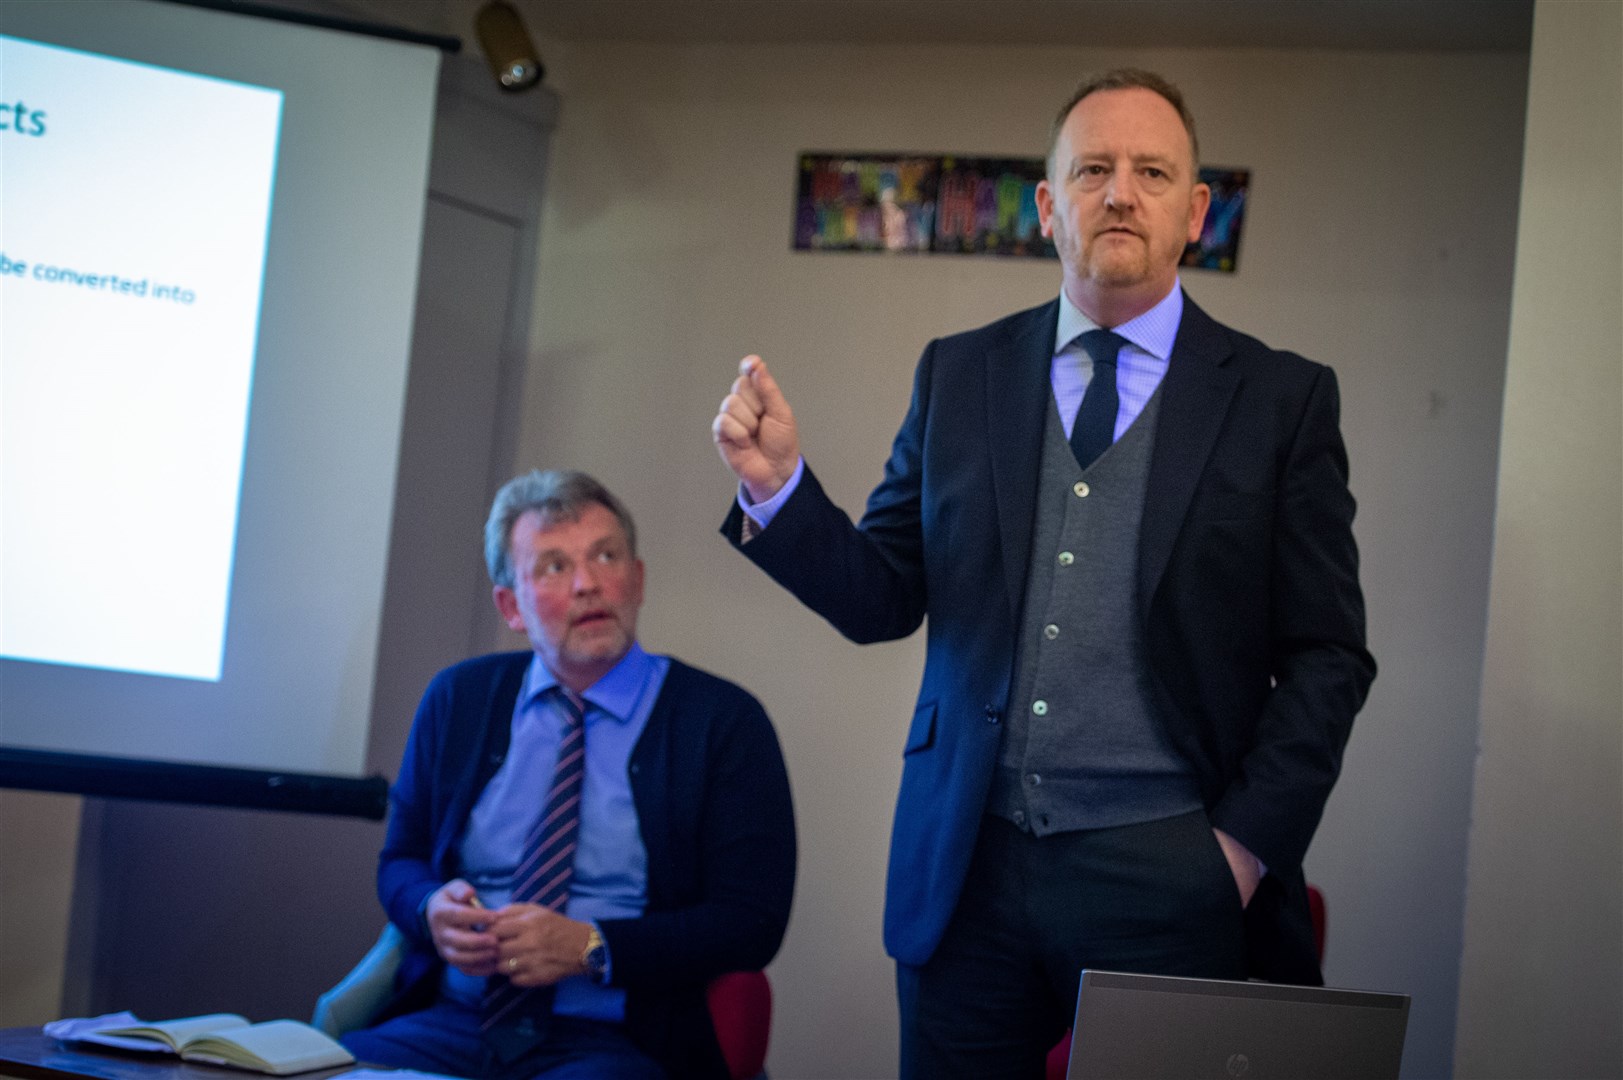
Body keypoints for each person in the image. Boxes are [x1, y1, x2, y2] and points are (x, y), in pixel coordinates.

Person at [712, 68, 1374, 1078]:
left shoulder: (1282, 400)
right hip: (966, 865)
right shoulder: (958, 372)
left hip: (1173, 866)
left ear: (1195, 211)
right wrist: (780, 491)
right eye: (1094, 168)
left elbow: (1328, 655)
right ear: (1048, 205)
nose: (1122, 192)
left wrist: (1238, 852)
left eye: (1152, 171)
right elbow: (883, 596)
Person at [344, 470, 796, 1080]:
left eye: (606, 557)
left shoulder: (723, 722)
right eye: (554, 567)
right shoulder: (460, 699)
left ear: (636, 581)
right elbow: (400, 860)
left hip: (617, 1041)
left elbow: (752, 924)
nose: (588, 584)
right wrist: (430, 908)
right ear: (511, 606)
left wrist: (591, 947)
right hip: (451, 1023)